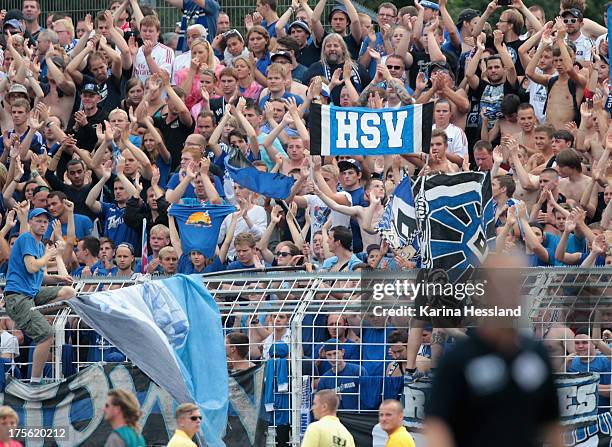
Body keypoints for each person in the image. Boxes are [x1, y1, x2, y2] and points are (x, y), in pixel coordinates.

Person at [425, 254, 563, 447]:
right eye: (501, 283)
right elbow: (437, 425)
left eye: (515, 283)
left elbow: (553, 426)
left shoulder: (536, 355)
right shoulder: (459, 359)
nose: (509, 292)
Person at [3, 208, 75, 384]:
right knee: (46, 335)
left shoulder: (40, 245)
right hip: (17, 297)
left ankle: (36, 313)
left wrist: (57, 278)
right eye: (38, 221)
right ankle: (35, 382)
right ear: (30, 222)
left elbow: (37, 275)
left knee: (69, 292)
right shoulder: (27, 238)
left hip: (31, 295)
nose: (43, 224)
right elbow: (31, 267)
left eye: (45, 222)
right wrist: (50, 255)